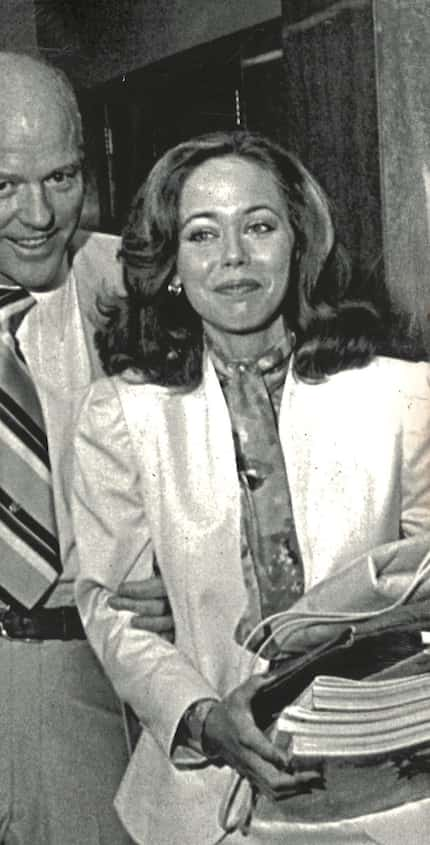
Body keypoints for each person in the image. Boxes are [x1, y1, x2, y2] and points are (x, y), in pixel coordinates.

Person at [72, 131, 430, 845]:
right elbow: (113, 612)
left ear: (299, 244)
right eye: (202, 235)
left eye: (258, 226)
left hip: (389, 793)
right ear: (173, 264)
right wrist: (204, 718)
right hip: (204, 809)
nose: (233, 257)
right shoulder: (121, 415)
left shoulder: (401, 394)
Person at [0, 51, 172, 845]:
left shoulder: (136, 288)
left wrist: (191, 574)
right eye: (2, 185)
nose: (38, 214)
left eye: (60, 178)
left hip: (76, 678)